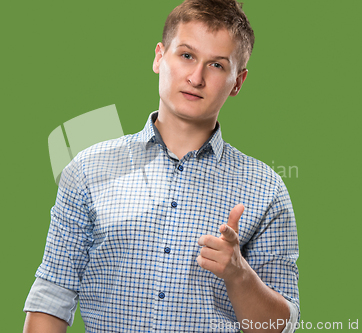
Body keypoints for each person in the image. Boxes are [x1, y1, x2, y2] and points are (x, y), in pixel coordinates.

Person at [23, 0, 300, 332]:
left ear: (237, 82)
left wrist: (238, 274)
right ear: (159, 56)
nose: (196, 77)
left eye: (215, 65)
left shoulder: (265, 188)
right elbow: (52, 295)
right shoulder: (89, 169)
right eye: (186, 56)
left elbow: (278, 327)